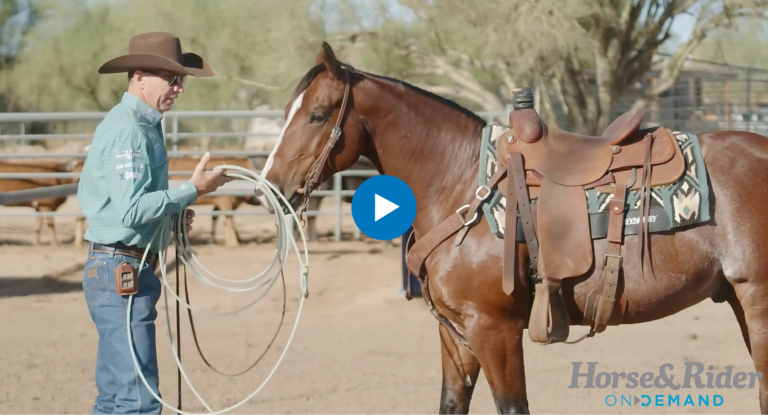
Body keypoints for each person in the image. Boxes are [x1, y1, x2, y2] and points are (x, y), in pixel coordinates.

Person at [77, 32, 231, 414]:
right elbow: (130, 210)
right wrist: (192, 190)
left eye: (181, 81)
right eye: (172, 78)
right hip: (121, 270)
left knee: (116, 395)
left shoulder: (143, 124)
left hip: (122, 268)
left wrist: (172, 213)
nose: (179, 88)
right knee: (139, 399)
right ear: (140, 76)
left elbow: (130, 203)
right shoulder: (129, 130)